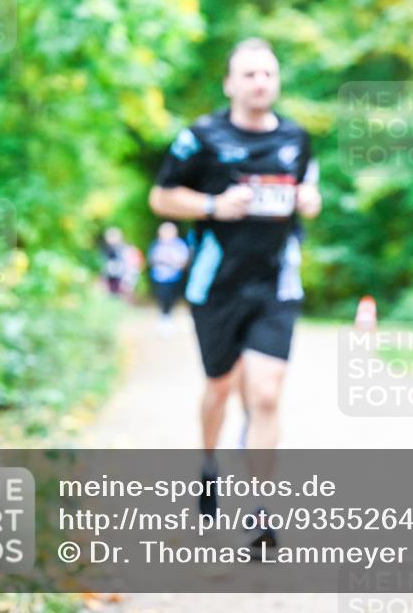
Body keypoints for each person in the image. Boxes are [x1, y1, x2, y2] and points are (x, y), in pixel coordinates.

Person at [149, 37, 321, 551]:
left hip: (276, 284)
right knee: (220, 388)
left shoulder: (296, 138)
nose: (260, 83)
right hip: (216, 286)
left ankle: (261, 509)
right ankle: (208, 466)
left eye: (268, 74)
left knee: (265, 393)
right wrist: (212, 206)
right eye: (249, 74)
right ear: (229, 84)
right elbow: (160, 197)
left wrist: (308, 200)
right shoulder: (201, 137)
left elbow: (310, 193)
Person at [147, 221, 190, 335]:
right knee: (162, 298)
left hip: (174, 277)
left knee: (172, 298)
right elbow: (151, 260)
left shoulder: (179, 245)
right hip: (159, 277)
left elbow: (184, 261)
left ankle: (168, 317)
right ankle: (164, 318)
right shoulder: (156, 245)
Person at [101, 226, 127, 296]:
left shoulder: (122, 247)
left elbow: (124, 260)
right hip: (109, 272)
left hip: (120, 271)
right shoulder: (106, 248)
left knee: (119, 289)